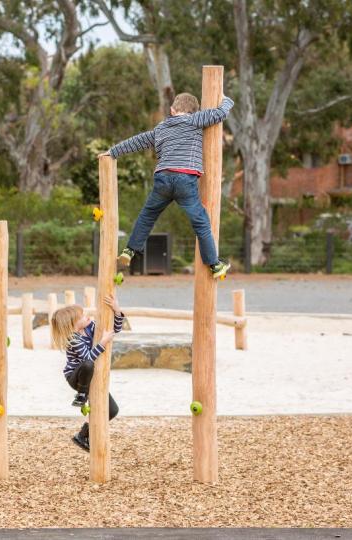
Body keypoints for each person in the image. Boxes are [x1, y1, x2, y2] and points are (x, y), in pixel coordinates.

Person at [100, 92, 234, 279]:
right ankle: (214, 264)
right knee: (201, 221)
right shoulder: (196, 120)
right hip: (185, 180)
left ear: (172, 110)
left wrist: (112, 151)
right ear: (194, 111)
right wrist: (227, 100)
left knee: (147, 215)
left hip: (162, 178)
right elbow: (220, 113)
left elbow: (136, 141)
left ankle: (129, 251)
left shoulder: (161, 128)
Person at [50, 294, 125, 452]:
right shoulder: (73, 340)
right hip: (76, 378)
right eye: (83, 316)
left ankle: (82, 435)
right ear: (74, 324)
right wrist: (103, 342)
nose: (87, 316)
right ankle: (82, 395)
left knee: (112, 410)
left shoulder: (90, 327)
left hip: (90, 378)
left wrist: (117, 310)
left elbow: (114, 330)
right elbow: (88, 358)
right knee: (88, 363)